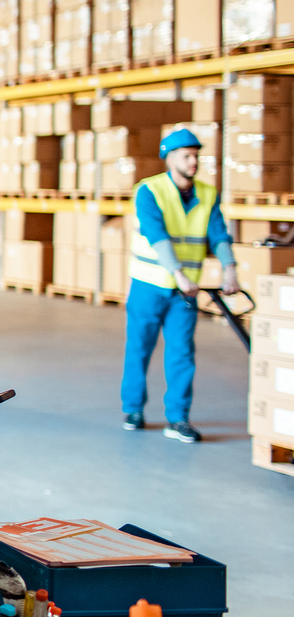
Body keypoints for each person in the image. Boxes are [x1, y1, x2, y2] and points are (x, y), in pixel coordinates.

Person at [121, 128, 239, 443]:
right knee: (139, 349)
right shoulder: (150, 191)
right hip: (149, 284)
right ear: (169, 158)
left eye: (196, 155)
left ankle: (178, 419)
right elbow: (155, 235)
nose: (193, 161)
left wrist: (230, 269)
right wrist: (179, 274)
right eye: (187, 155)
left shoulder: (207, 193)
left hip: (183, 293)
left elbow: (219, 234)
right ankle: (133, 409)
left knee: (182, 353)